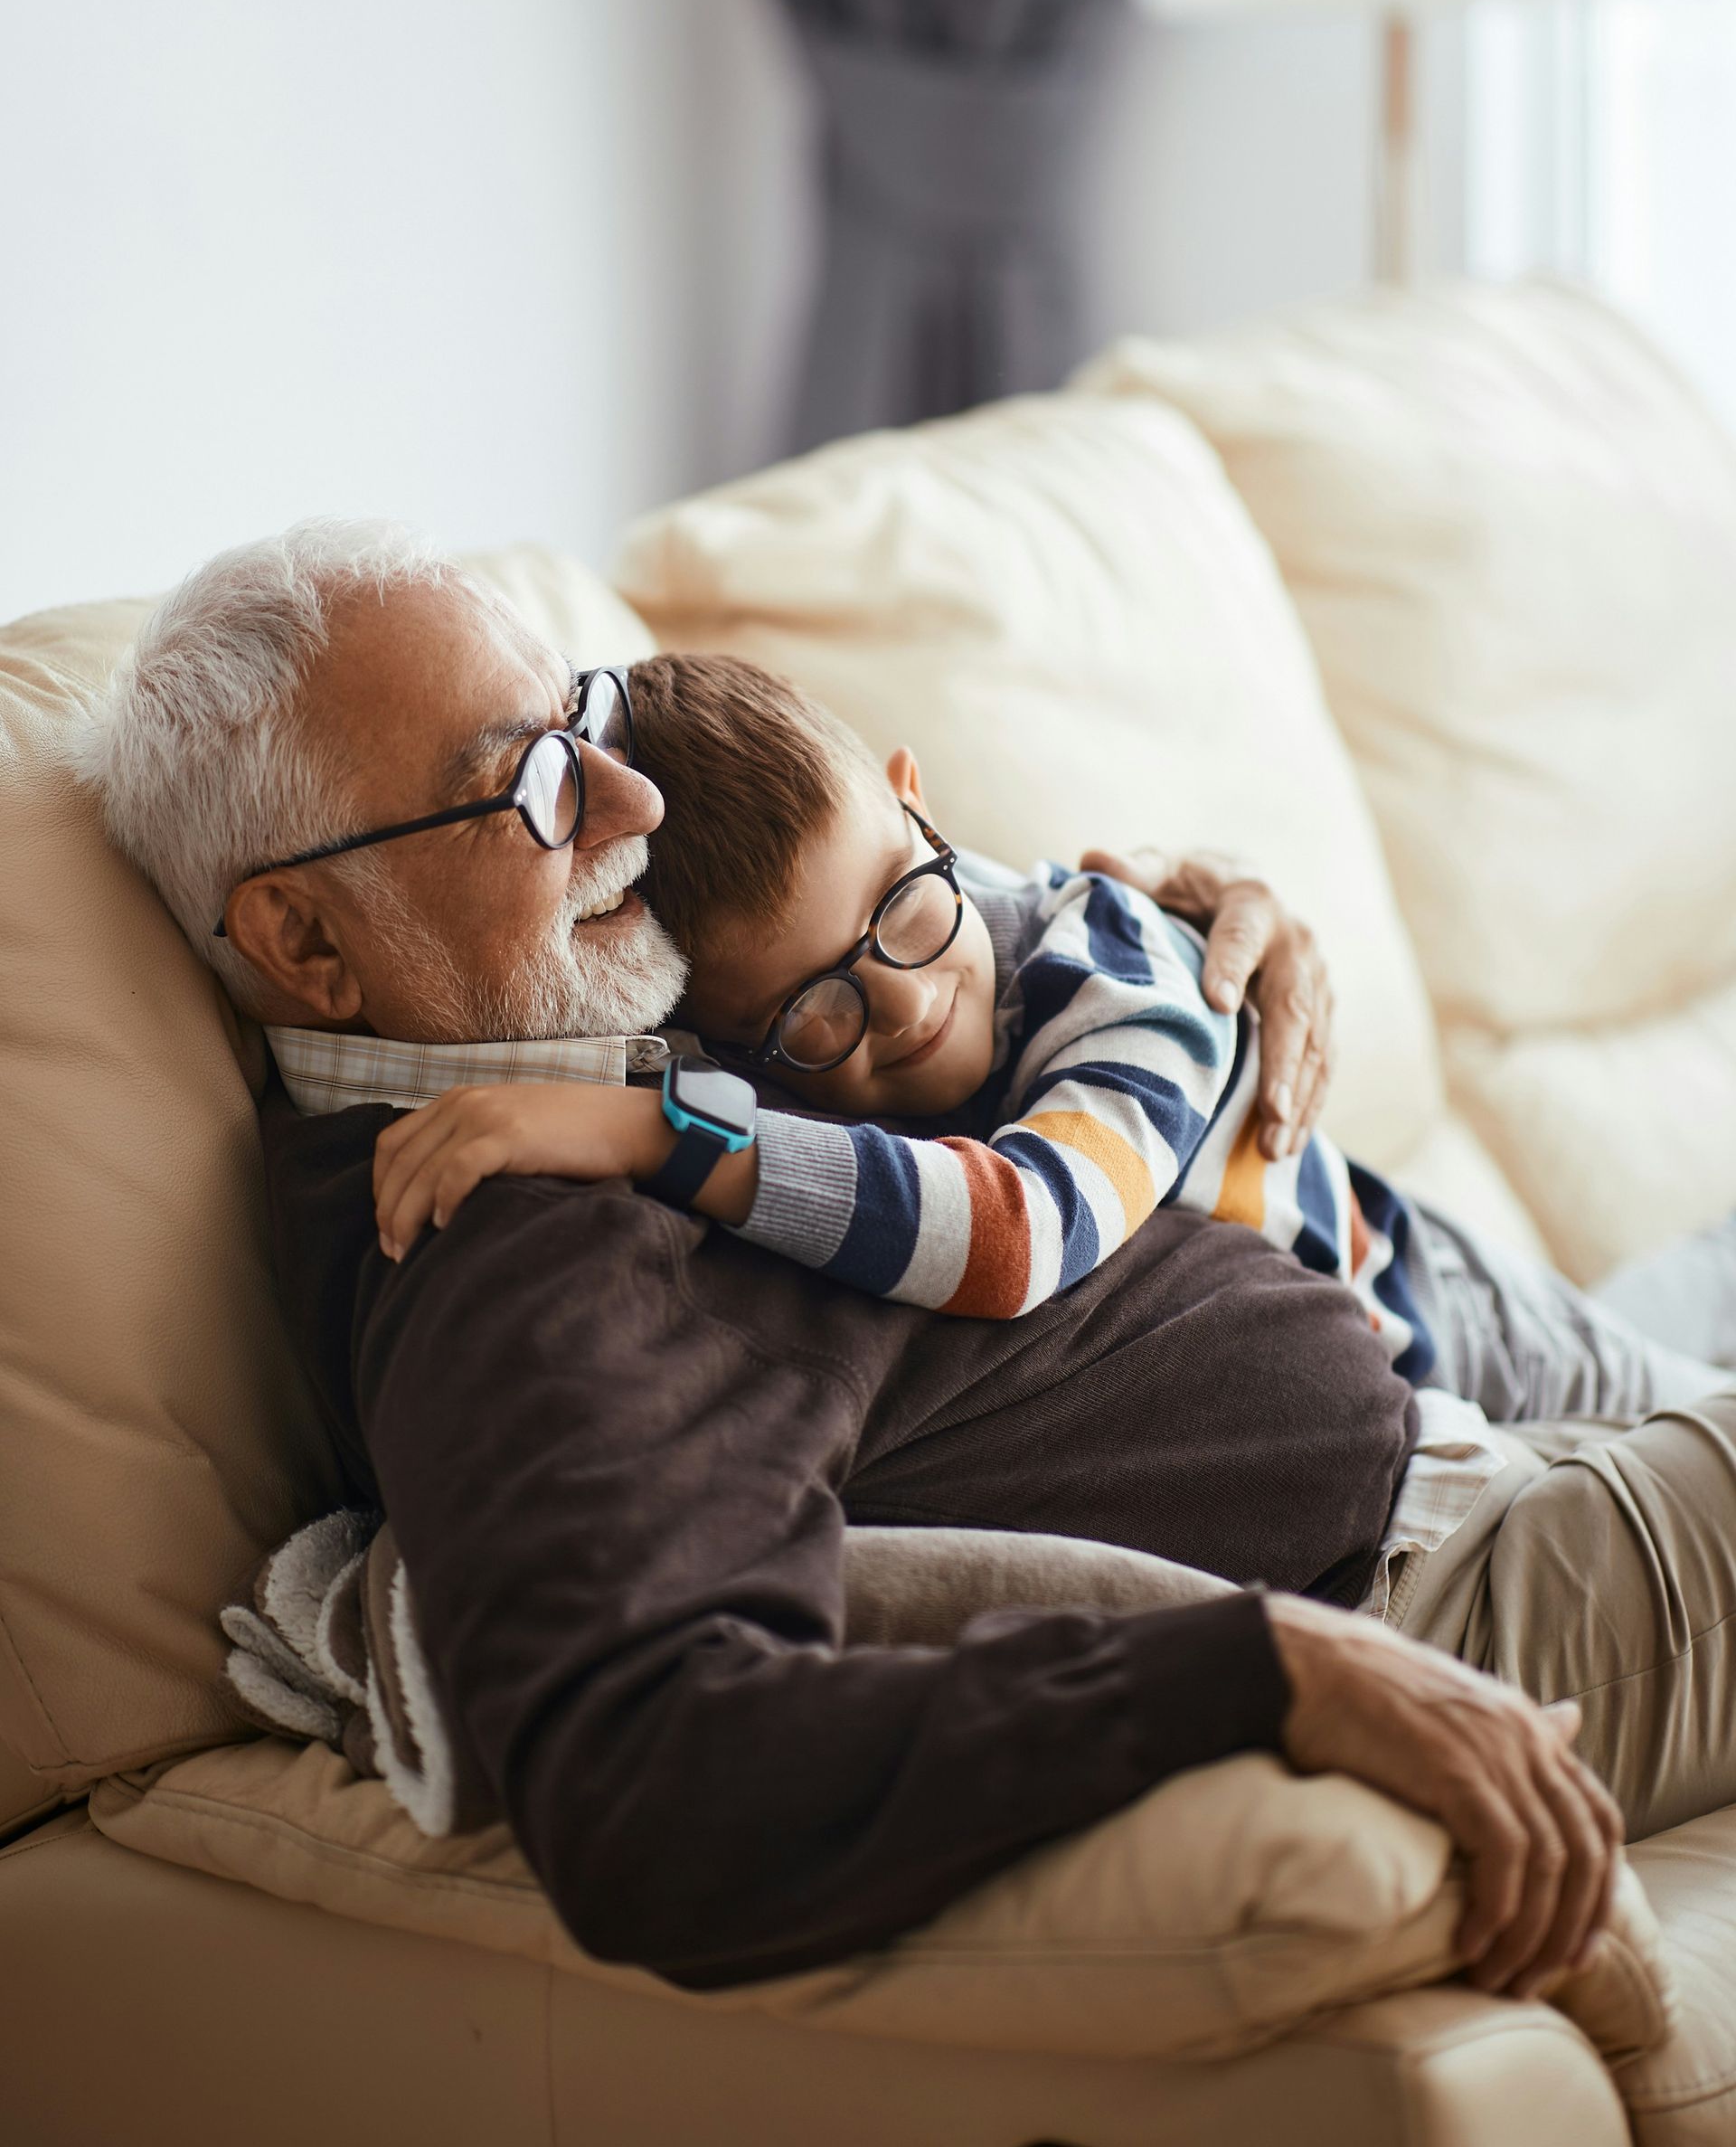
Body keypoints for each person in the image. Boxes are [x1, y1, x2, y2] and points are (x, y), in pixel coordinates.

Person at [74, 521, 1736, 2009]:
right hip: (1436, 1570)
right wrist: (1253, 1678)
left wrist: (1142, 939)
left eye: (589, 721)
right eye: (534, 781)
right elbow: (650, 1791)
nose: (634, 803)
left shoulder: (609, 1016)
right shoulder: (512, 1243)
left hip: (1458, 1366)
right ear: (305, 942)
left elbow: (889, 936)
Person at [370, 653, 1735, 1488]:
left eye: (905, 904)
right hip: (1397, 1411)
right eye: (817, 1012)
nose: (902, 1005)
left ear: (921, 802)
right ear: (735, 1040)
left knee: (1695, 1438)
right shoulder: (781, 1063)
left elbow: (1017, 1231)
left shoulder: (1134, 976)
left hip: (1464, 1327)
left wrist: (656, 1135)